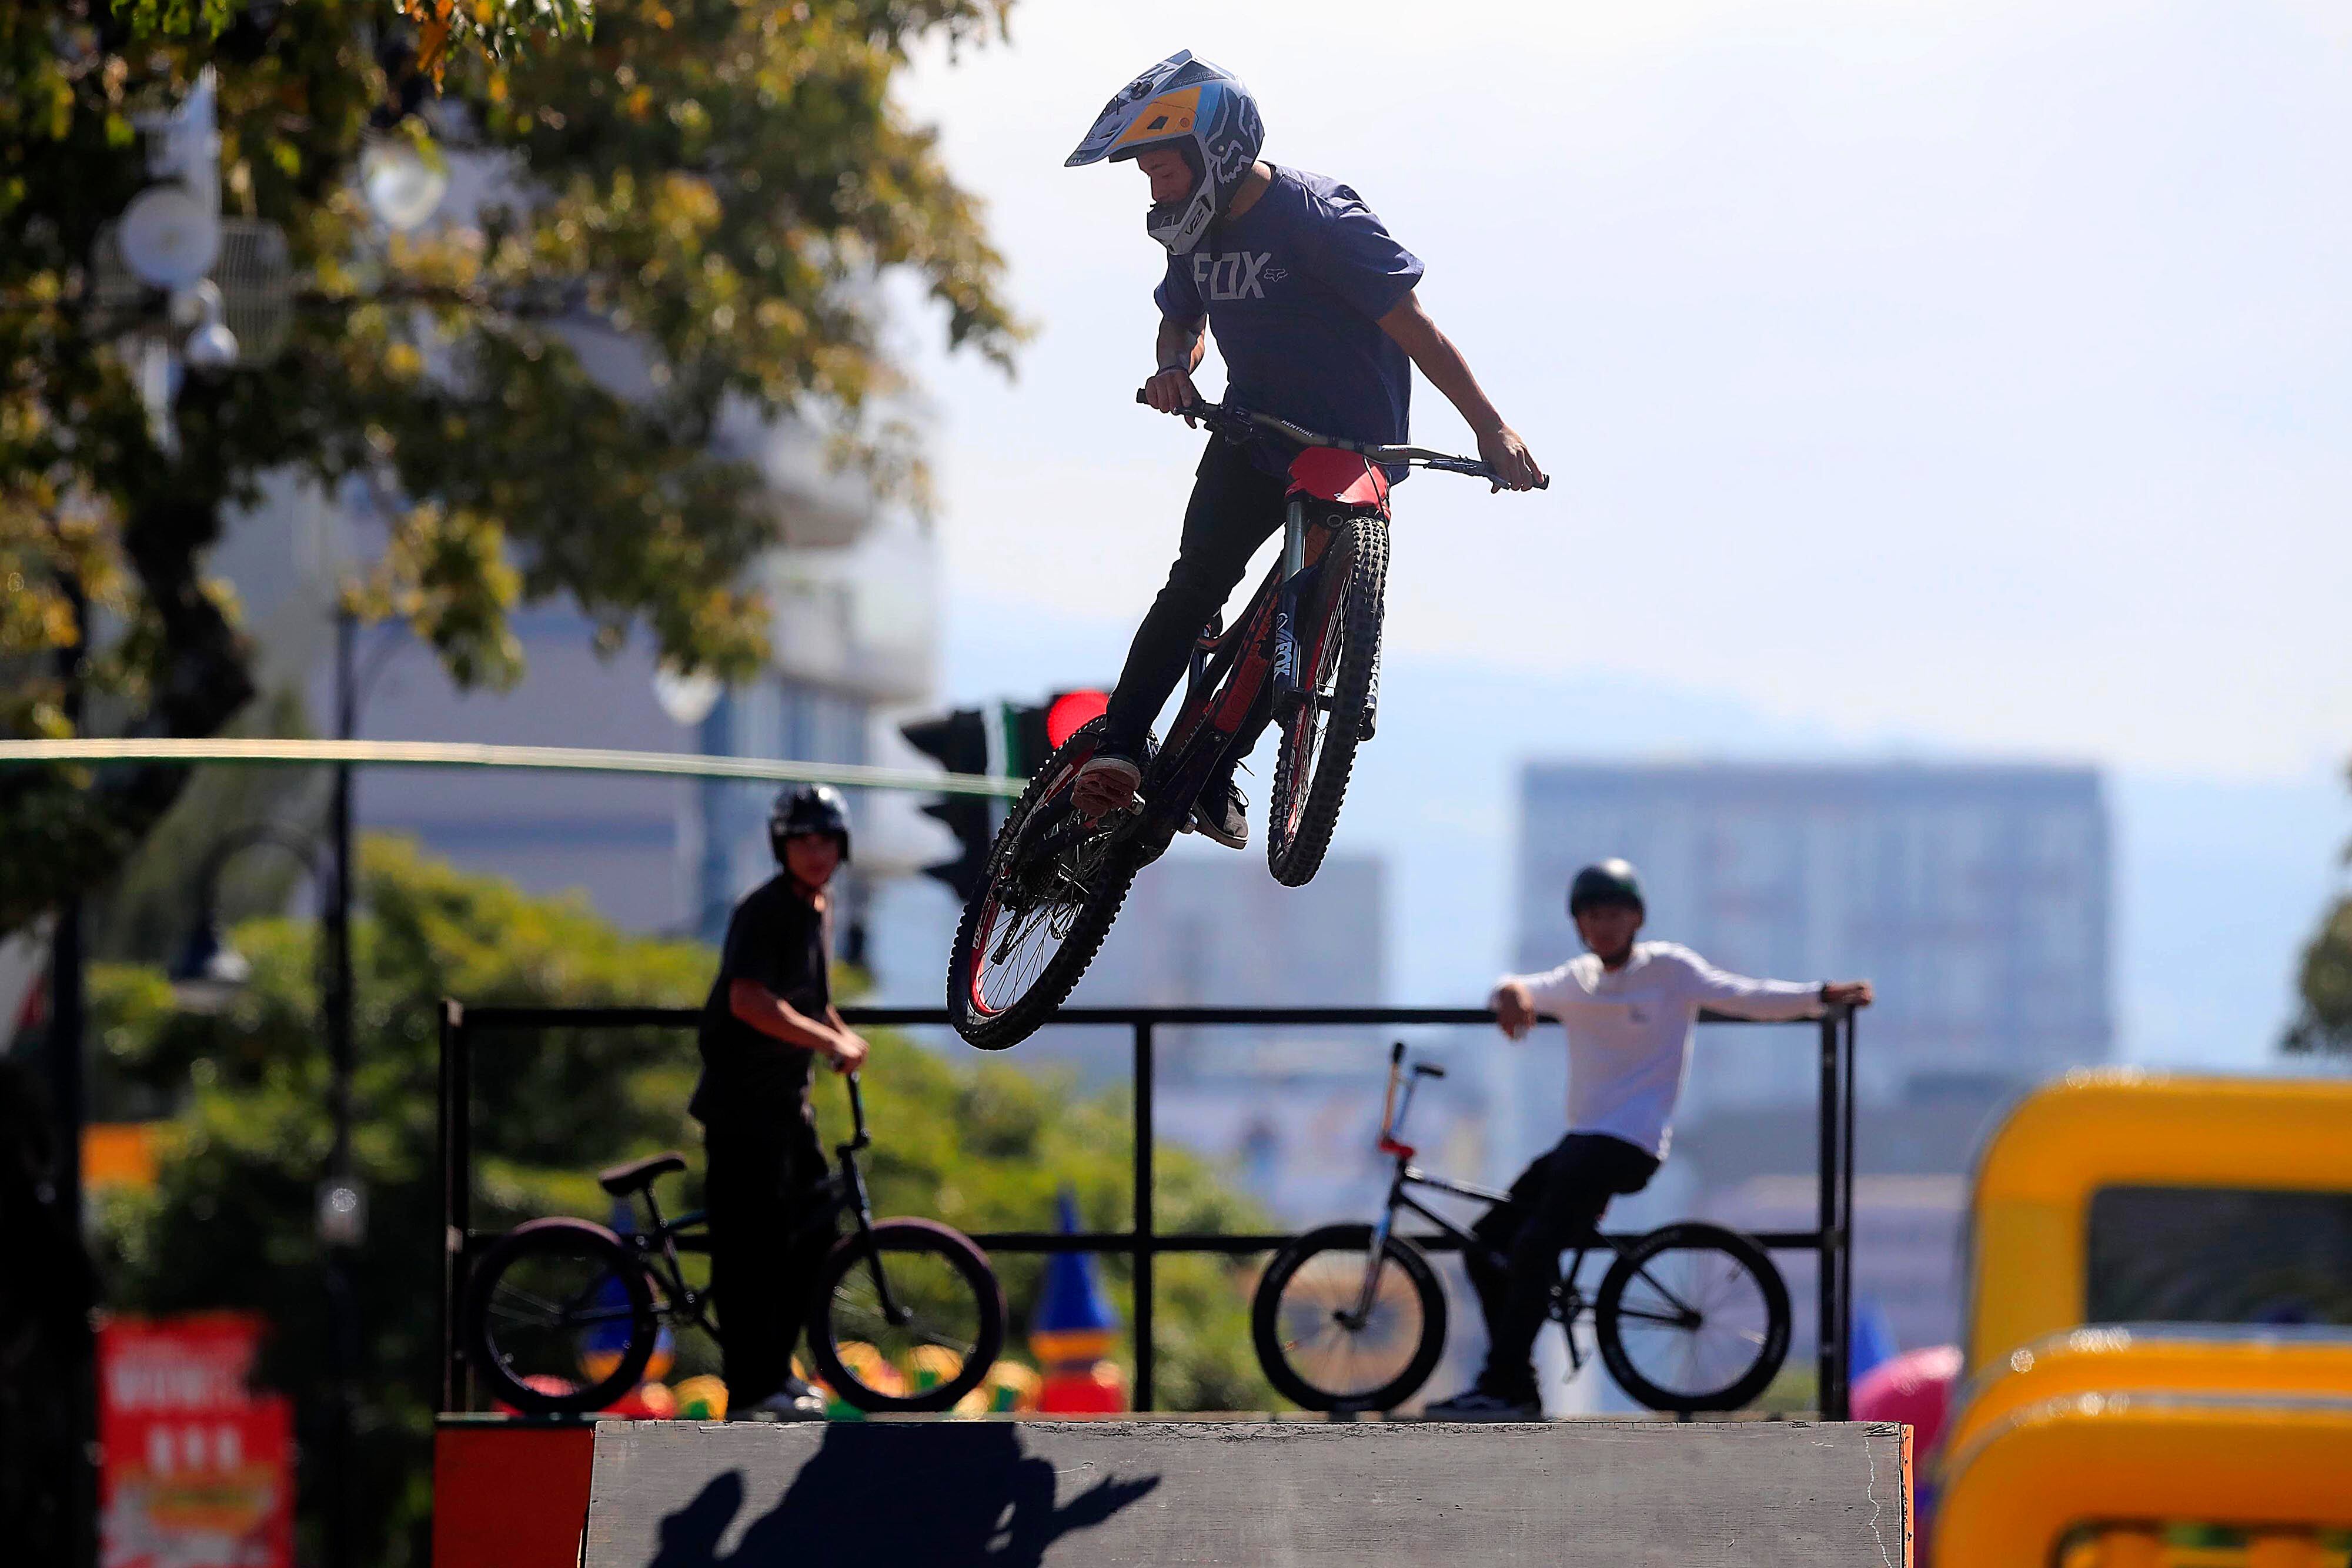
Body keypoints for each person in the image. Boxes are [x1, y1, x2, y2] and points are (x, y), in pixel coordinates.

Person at [1063, 51, 1547, 847]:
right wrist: (1173, 369)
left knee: (1299, 625)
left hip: (1349, 456)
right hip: (1255, 436)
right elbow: (1181, 320)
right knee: (1197, 582)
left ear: (1214, 151)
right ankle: (1117, 746)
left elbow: (1415, 325)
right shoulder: (1195, 232)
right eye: (1146, 174)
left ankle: (1215, 771)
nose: (1156, 189)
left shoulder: (1319, 218)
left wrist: (1491, 427)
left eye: (1164, 170)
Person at [1425, 858, 1875, 1420]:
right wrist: (1509, 992)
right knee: (1485, 1243)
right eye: (1592, 915)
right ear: (1578, 924)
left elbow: (1744, 994)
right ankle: (1517, 1383)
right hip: (1579, 1142)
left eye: (1615, 913)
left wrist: (1820, 994)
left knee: (1535, 1246)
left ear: (1637, 918)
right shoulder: (1577, 980)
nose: (1604, 925)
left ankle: (1502, 1385)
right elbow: (1518, 985)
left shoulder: (1669, 970)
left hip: (1629, 1142)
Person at [690, 784, 873, 1421]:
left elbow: (808, 999)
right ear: (781, 847)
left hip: (788, 1106)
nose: (816, 852)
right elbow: (749, 1000)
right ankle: (748, 1391)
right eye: (803, 841)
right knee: (752, 1251)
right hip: (743, 1108)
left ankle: (776, 1369)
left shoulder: (815, 907)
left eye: (826, 841)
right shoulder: (763, 910)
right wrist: (828, 1037)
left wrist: (839, 1033)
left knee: (816, 1230)